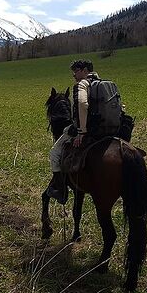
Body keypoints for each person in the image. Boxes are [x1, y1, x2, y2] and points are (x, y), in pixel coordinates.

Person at [45, 59, 100, 204]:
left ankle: (60, 190)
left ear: (84, 71)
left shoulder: (81, 85)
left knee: (54, 153)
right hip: (101, 130)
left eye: (76, 71)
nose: (74, 75)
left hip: (84, 130)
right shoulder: (102, 83)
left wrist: (81, 132)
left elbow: (82, 104)